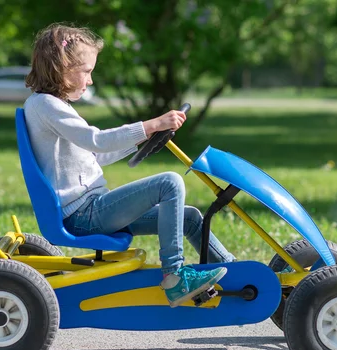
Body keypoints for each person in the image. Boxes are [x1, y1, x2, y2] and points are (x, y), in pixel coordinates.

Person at [23, 23, 235, 307]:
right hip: (84, 215)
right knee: (170, 182)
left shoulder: (49, 105)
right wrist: (151, 124)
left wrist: (146, 136)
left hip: (92, 208)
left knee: (191, 218)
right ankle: (174, 276)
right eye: (87, 71)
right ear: (61, 66)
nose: (90, 80)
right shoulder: (46, 106)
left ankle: (238, 274)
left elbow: (94, 156)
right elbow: (96, 140)